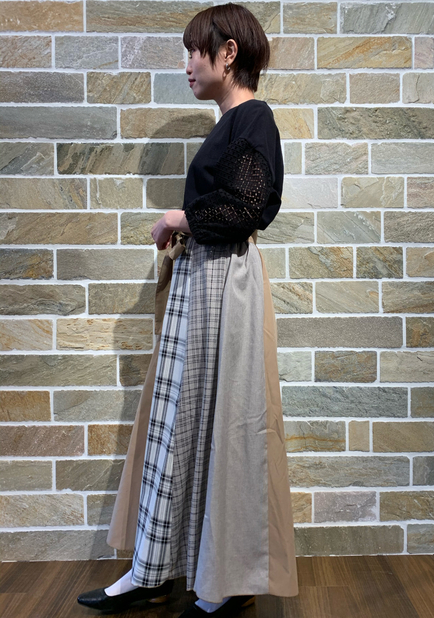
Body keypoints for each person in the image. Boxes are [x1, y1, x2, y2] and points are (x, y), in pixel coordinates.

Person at [77, 3, 299, 616]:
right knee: (180, 424)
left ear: (228, 52)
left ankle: (225, 579)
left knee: (226, 425)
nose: (187, 65)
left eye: (194, 51)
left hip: (223, 282)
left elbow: (247, 207)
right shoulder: (233, 123)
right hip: (206, 280)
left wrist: (179, 216)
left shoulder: (253, 118)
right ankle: (158, 569)